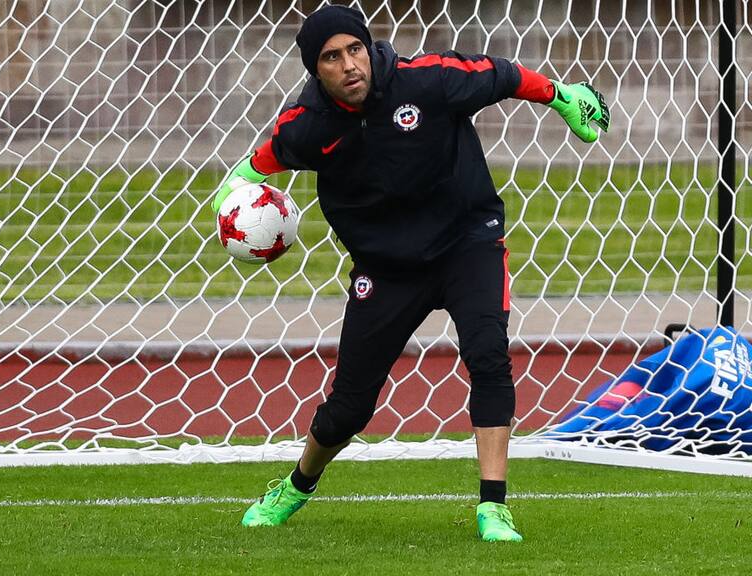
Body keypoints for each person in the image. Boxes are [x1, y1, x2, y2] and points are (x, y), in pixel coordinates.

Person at [212, 4, 609, 542]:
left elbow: (505, 75)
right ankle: (297, 485)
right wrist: (231, 196)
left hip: (467, 243)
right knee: (349, 407)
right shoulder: (306, 125)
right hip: (386, 268)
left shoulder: (427, 80)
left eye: (355, 49)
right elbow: (260, 162)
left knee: (488, 355)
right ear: (316, 69)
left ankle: (493, 508)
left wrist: (562, 96)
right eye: (332, 57)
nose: (349, 65)